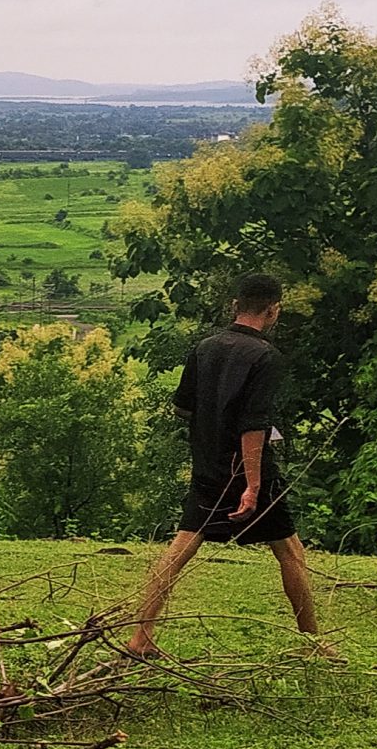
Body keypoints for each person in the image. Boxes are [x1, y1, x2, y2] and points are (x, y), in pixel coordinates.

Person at [126, 273, 320, 657]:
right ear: (273, 310)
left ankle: (141, 636)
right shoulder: (266, 357)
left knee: (179, 549)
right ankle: (313, 642)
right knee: (291, 552)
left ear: (235, 305)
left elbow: (183, 406)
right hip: (248, 469)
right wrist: (252, 484)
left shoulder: (205, 347)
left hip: (208, 464)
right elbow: (254, 423)